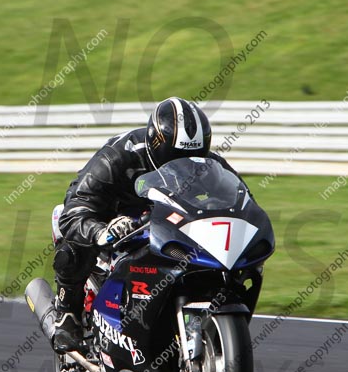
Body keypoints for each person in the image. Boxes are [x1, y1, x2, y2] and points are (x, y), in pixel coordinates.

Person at [51, 97, 241, 353]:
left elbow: (238, 201)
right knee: (75, 241)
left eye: (193, 156)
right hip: (113, 219)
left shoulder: (209, 164)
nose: (185, 162)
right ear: (156, 144)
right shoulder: (117, 157)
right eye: (176, 156)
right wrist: (100, 231)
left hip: (165, 223)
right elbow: (76, 206)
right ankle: (67, 312)